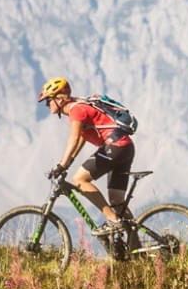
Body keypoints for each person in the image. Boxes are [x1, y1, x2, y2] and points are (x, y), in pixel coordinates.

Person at [38, 77, 133, 237]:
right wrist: (68, 162)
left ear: (59, 99)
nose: (48, 106)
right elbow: (82, 137)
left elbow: (73, 138)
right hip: (126, 148)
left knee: (80, 180)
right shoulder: (80, 106)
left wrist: (62, 165)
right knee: (117, 202)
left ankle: (113, 221)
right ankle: (136, 249)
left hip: (115, 147)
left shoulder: (76, 110)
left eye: (49, 101)